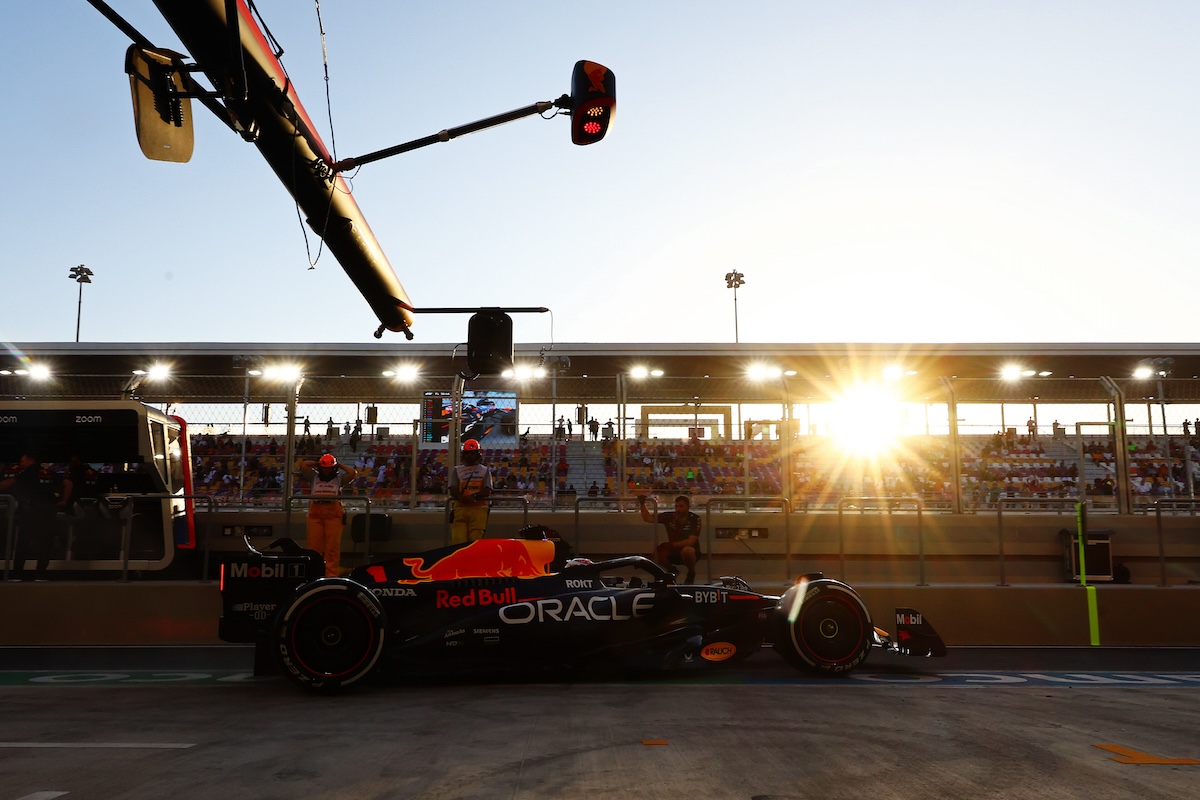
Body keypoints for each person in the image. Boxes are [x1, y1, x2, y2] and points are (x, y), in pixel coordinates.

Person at [0, 452, 58, 581]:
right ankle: (41, 575)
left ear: (30, 460)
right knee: (45, 543)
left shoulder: (30, 471)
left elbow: (10, 482)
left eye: (22, 461)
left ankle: (17, 575)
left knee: (23, 542)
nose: (21, 464)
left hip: (33, 510)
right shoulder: (47, 472)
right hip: (49, 511)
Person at [297, 453, 357, 577]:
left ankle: (331, 575)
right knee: (314, 547)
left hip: (333, 516)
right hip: (316, 515)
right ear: (320, 468)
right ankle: (314, 573)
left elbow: (353, 473)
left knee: (332, 548)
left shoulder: (339, 479)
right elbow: (303, 465)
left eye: (330, 468)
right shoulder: (314, 477)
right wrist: (318, 462)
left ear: (334, 468)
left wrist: (338, 463)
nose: (327, 470)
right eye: (325, 468)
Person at [639, 493, 701, 583]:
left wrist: (671, 545)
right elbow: (648, 518)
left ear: (688, 507)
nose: (678, 509)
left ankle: (691, 573)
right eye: (676, 506)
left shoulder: (695, 518)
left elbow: (691, 541)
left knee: (688, 550)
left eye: (681, 506)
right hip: (674, 551)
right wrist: (642, 504)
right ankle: (672, 571)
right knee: (658, 553)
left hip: (692, 551)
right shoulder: (669, 516)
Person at [448, 439, 492, 544]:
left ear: (477, 454)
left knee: (475, 543)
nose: (470, 456)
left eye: (472, 453)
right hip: (461, 510)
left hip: (478, 511)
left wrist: (473, 497)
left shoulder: (485, 470)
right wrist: (461, 497)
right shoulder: (457, 470)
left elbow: (487, 490)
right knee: (458, 542)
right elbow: (452, 488)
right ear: (464, 454)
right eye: (468, 453)